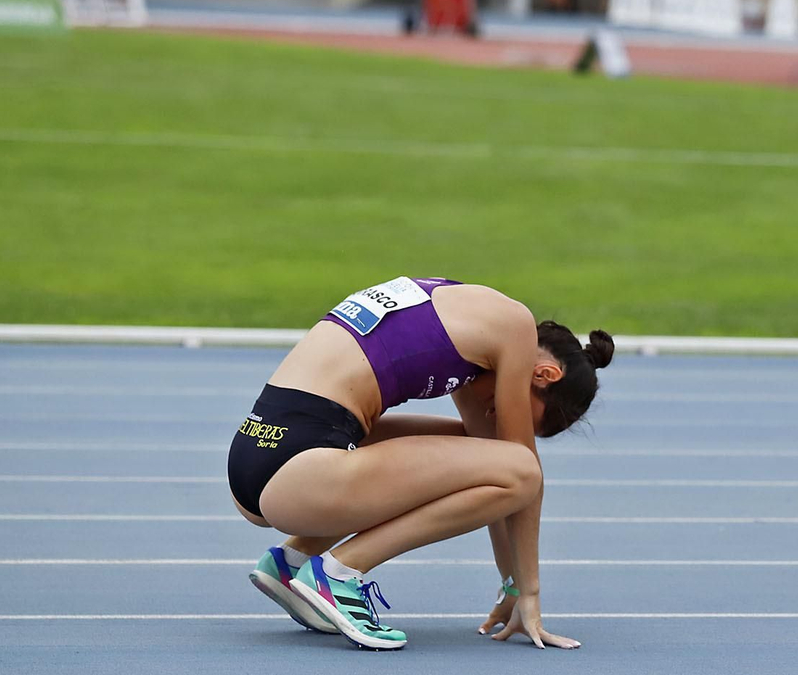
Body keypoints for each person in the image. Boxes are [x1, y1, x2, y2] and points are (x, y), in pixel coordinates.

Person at [227, 276, 612, 651]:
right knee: (522, 467)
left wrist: (511, 583)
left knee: (479, 452)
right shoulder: (515, 326)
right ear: (545, 375)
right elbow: (523, 473)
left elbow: (492, 473)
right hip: (302, 470)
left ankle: (293, 560)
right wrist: (530, 592)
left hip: (261, 453)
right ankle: (337, 573)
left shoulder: (463, 308)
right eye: (519, 413)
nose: (499, 413)